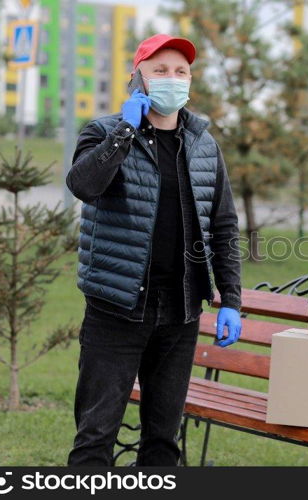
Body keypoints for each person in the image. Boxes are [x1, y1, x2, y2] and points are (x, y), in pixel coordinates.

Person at [65, 33, 243, 466]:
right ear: (137, 79)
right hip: (117, 310)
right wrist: (125, 130)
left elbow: (223, 225)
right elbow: (83, 186)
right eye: (159, 70)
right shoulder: (104, 131)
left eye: (180, 72)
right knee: (95, 437)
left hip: (180, 313)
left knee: (163, 441)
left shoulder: (203, 143)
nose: (171, 79)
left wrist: (231, 301)